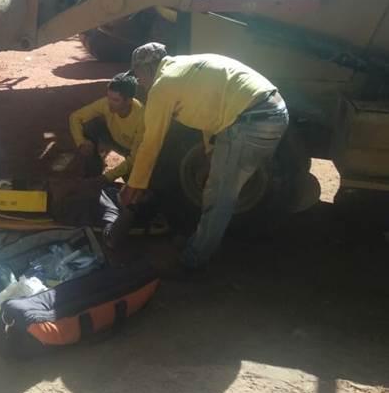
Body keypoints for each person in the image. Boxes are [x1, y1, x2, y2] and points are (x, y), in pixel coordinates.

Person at [120, 43, 289, 270]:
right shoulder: (183, 68)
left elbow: (151, 143)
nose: (138, 79)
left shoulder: (162, 86)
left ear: (148, 67)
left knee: (218, 194)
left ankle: (194, 261)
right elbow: (209, 111)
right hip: (269, 111)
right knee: (217, 188)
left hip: (252, 120)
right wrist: (211, 153)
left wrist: (135, 185)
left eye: (137, 73)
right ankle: (198, 243)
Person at [68, 72, 145, 182]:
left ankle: (98, 180)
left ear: (129, 101)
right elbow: (75, 117)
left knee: (133, 180)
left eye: (115, 100)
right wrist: (81, 142)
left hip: (131, 150)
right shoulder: (106, 103)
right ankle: (92, 172)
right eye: (109, 97)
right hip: (113, 138)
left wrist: (106, 178)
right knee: (90, 125)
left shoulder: (142, 118)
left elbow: (134, 159)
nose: (110, 103)